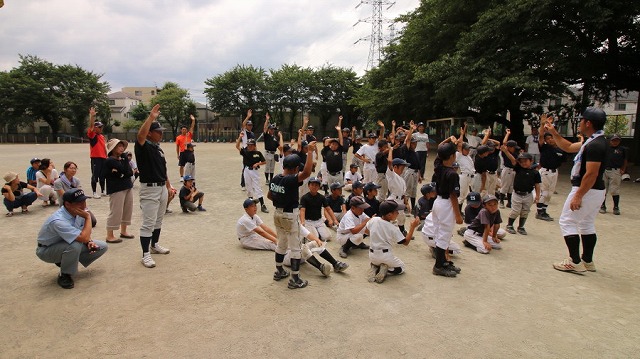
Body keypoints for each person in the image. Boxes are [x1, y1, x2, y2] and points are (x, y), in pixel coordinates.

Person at [544, 107, 607, 273]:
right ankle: (587, 260)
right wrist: (554, 133)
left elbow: (591, 173)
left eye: (581, 120)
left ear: (588, 123)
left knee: (567, 221)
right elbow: (569, 146)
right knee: (586, 224)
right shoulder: (595, 140)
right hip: (596, 190)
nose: (579, 123)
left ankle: (574, 261)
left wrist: (578, 195)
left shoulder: (595, 145)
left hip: (587, 189)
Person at [35, 188, 108, 289]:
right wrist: (88, 217)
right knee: (75, 244)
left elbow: (84, 233)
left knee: (102, 246)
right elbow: (83, 237)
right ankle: (64, 274)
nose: (84, 205)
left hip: (64, 244)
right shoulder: (59, 220)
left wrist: (89, 242)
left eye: (84, 201)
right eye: (79, 203)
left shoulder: (78, 213)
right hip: (46, 250)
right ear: (68, 204)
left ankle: (67, 260)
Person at [134, 104, 177, 268]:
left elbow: (163, 170)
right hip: (149, 188)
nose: (161, 134)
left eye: (161, 131)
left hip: (161, 187)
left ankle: (154, 245)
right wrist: (151, 117)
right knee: (148, 222)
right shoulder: (142, 146)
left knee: (158, 219)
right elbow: (140, 135)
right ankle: (145, 254)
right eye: (158, 131)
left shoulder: (158, 149)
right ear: (150, 133)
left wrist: (168, 186)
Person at [268, 145, 316, 289]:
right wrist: (310, 152)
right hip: (290, 214)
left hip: (277, 214)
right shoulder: (290, 180)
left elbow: (269, 196)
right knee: (296, 248)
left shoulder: (276, 178)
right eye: (298, 169)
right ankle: (294, 278)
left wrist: (281, 199)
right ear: (295, 169)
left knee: (281, 243)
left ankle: (279, 271)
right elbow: (307, 172)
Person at [367, 200, 420, 283]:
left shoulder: (373, 220)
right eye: (396, 212)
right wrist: (412, 227)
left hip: (372, 255)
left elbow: (367, 231)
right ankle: (386, 270)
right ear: (389, 214)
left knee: (378, 260)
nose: (398, 213)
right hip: (385, 256)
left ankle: (375, 266)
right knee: (402, 268)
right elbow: (405, 242)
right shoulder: (393, 228)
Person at [431, 142, 463, 277]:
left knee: (440, 233)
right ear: (453, 156)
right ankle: (438, 266)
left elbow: (439, 155)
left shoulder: (438, 167)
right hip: (447, 204)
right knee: (445, 234)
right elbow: (453, 196)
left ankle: (443, 261)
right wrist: (458, 215)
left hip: (437, 203)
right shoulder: (452, 173)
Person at [501, 150, 541, 235]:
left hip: (528, 194)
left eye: (525, 161)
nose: (523, 163)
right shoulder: (518, 169)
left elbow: (537, 185)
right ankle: (510, 225)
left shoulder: (535, 173)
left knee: (525, 211)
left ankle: (521, 226)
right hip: (517, 194)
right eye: (521, 161)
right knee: (515, 210)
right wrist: (506, 151)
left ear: (531, 161)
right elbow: (513, 160)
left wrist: (537, 196)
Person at [103, 138, 134, 243]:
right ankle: (109, 235)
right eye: (119, 146)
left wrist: (121, 172)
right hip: (116, 188)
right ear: (113, 149)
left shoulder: (123, 159)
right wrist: (122, 169)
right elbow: (123, 170)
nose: (121, 148)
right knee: (116, 210)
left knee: (127, 209)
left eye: (122, 146)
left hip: (127, 185)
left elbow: (129, 172)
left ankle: (124, 231)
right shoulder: (110, 160)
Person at [536, 115, 566, 221]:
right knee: (544, 192)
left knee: (549, 193)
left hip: (554, 172)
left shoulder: (560, 150)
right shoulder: (545, 147)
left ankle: (544, 210)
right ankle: (539, 212)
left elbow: (562, 161)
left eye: (551, 138)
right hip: (545, 171)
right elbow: (540, 136)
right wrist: (543, 124)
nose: (550, 140)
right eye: (547, 139)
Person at [236, 135, 268, 213]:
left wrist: (257, 164)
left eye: (251, 145)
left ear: (254, 146)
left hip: (254, 171)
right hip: (247, 170)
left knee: (257, 187)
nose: (249, 146)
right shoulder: (245, 152)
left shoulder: (258, 153)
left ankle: (263, 205)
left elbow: (264, 162)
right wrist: (240, 137)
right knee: (248, 186)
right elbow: (237, 146)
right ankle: (250, 203)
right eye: (248, 145)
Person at [300, 177, 335, 241]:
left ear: (319, 187)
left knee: (327, 237)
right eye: (312, 185)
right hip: (308, 221)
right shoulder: (304, 198)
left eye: (316, 185)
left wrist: (334, 220)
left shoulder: (322, 197)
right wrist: (302, 222)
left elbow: (328, 209)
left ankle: (318, 232)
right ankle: (310, 233)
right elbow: (302, 210)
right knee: (314, 238)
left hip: (319, 221)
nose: (314, 187)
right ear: (309, 186)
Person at [600, 133, 627, 215]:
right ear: (609, 141)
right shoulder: (605, 148)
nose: (615, 142)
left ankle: (616, 207)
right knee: (603, 189)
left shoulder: (622, 149)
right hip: (604, 170)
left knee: (615, 189)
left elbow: (625, 160)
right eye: (613, 140)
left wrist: (623, 169)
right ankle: (602, 205)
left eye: (617, 140)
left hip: (615, 170)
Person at [87, 107, 107, 198]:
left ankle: (103, 190)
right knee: (95, 175)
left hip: (103, 158)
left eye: (101, 127)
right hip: (96, 158)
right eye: (99, 127)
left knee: (103, 175)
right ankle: (94, 192)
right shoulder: (93, 135)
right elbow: (91, 126)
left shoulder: (102, 136)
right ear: (95, 128)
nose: (101, 128)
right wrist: (92, 116)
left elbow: (104, 148)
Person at [499, 130, 518, 209]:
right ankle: (501, 201)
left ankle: (509, 202)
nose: (514, 149)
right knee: (505, 186)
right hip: (507, 170)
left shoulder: (515, 153)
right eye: (513, 147)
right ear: (509, 147)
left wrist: (508, 133)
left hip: (513, 171)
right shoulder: (505, 152)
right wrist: (507, 134)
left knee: (511, 187)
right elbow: (504, 143)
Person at [262, 112, 280, 185]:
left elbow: (278, 146)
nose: (272, 130)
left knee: (272, 168)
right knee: (267, 167)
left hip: (273, 153)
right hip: (267, 153)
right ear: (269, 130)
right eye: (271, 129)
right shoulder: (266, 135)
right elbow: (264, 128)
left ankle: (271, 179)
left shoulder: (275, 138)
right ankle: (267, 179)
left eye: (273, 129)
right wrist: (267, 120)